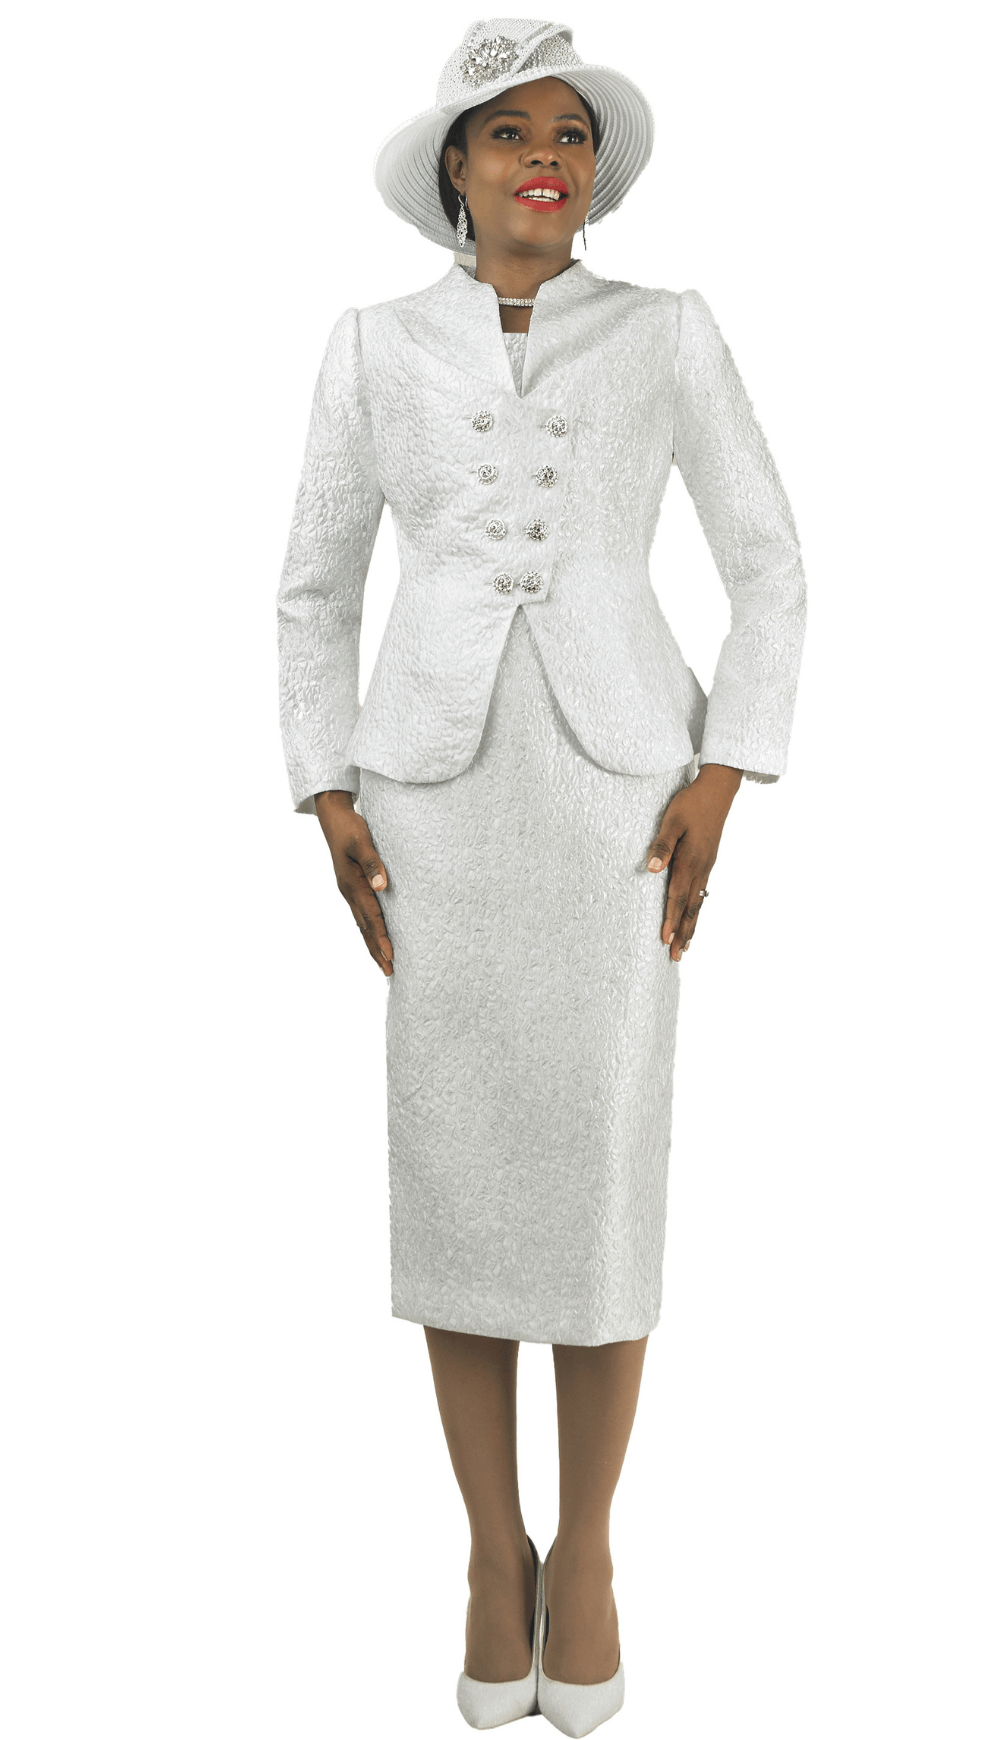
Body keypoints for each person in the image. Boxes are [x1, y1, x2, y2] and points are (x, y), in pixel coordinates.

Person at [276, 18, 806, 1735]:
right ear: (456, 168)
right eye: (508, 133)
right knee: (459, 1172)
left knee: (595, 1168)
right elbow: (313, 587)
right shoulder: (372, 345)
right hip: (430, 796)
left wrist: (727, 767)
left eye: (570, 133)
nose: (544, 157)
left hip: (618, 799)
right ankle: (485, 1553)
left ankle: (586, 1554)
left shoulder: (668, 332)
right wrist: (324, 784)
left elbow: (769, 561)